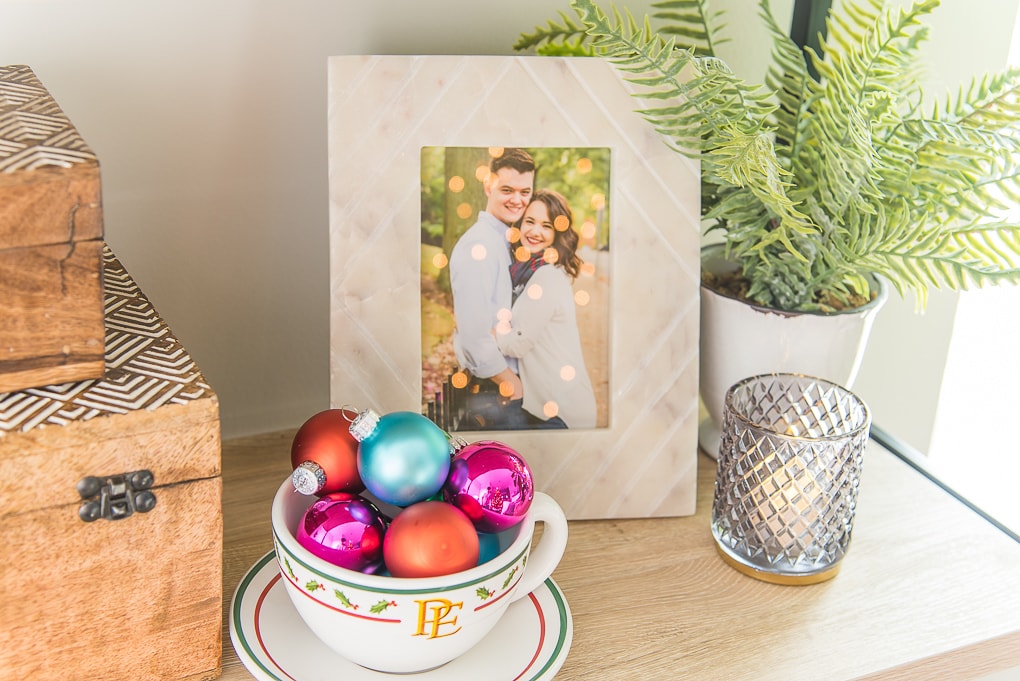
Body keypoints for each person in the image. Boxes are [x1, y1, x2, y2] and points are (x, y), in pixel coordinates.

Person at [495, 189, 597, 429]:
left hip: (562, 413)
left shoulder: (546, 277)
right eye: (529, 222)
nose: (535, 232)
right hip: (546, 405)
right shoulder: (529, 271)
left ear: (557, 233)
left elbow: (516, 344)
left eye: (546, 226)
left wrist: (492, 332)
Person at [449, 148, 535, 430]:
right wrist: (511, 384)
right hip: (493, 390)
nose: (517, 200)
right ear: (488, 185)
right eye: (507, 189)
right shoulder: (480, 246)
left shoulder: (502, 240)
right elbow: (473, 333)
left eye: (525, 192)